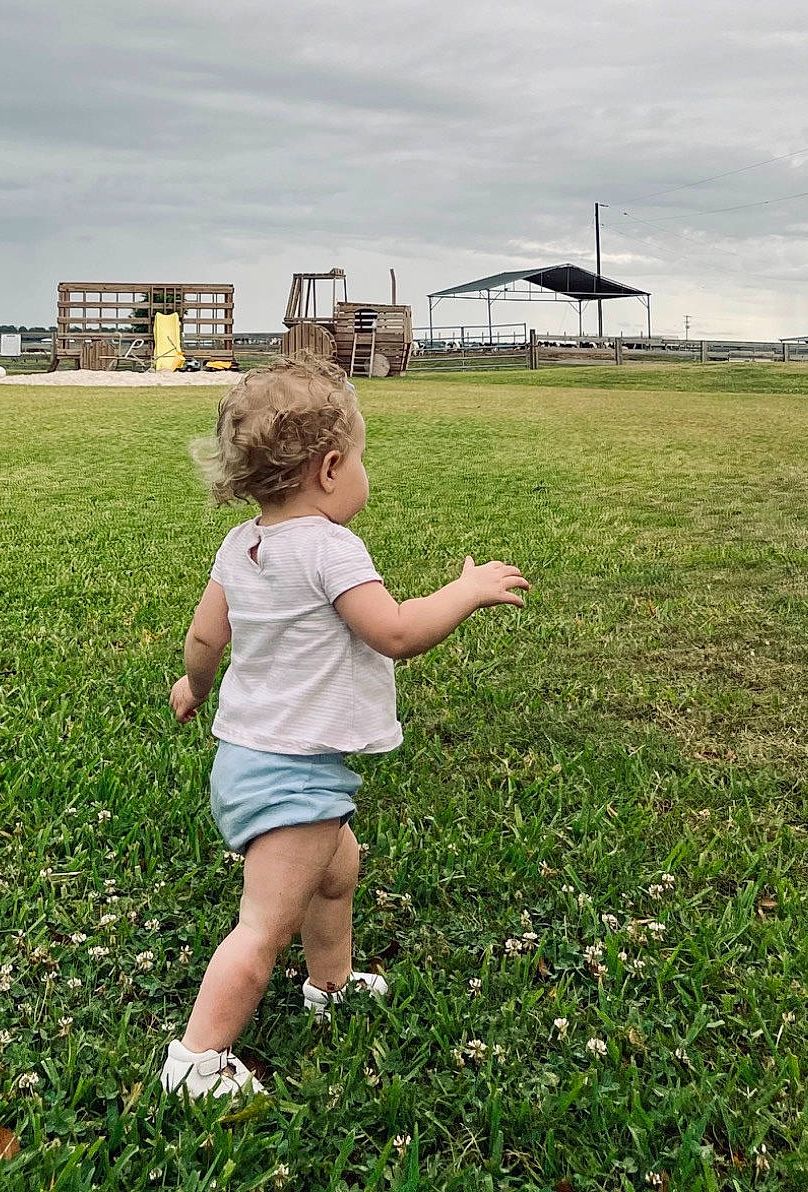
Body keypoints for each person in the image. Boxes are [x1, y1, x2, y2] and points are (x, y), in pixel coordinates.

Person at [162, 359, 530, 1099]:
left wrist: (193, 686)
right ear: (330, 469)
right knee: (262, 927)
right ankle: (196, 1060)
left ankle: (329, 986)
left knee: (337, 872)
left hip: (246, 759)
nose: (365, 473)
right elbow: (393, 632)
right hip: (292, 772)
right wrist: (465, 591)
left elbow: (205, 640)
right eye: (362, 459)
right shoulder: (331, 548)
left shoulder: (242, 546)